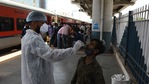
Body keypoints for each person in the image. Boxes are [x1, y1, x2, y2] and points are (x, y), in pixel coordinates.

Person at [21, 11, 85, 84]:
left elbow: (44, 52)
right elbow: (51, 55)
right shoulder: (33, 39)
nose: (44, 26)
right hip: (37, 79)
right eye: (42, 23)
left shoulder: (27, 37)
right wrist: (73, 50)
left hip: (31, 77)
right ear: (34, 23)